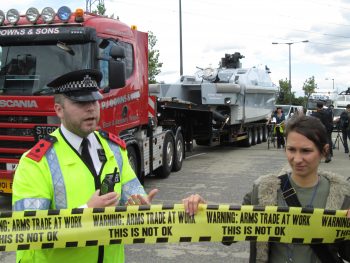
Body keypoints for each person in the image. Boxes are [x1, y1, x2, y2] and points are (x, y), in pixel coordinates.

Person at [12, 69, 158, 263]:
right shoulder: (37, 162)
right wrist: (85, 213)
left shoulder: (114, 149)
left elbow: (134, 196)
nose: (91, 108)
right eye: (80, 102)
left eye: (94, 100)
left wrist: (140, 206)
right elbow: (28, 231)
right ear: (59, 110)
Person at [183, 115, 350, 263]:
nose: (297, 159)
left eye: (306, 151)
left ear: (324, 151)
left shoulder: (342, 196)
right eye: (291, 149)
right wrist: (204, 210)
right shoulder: (262, 190)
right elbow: (229, 231)